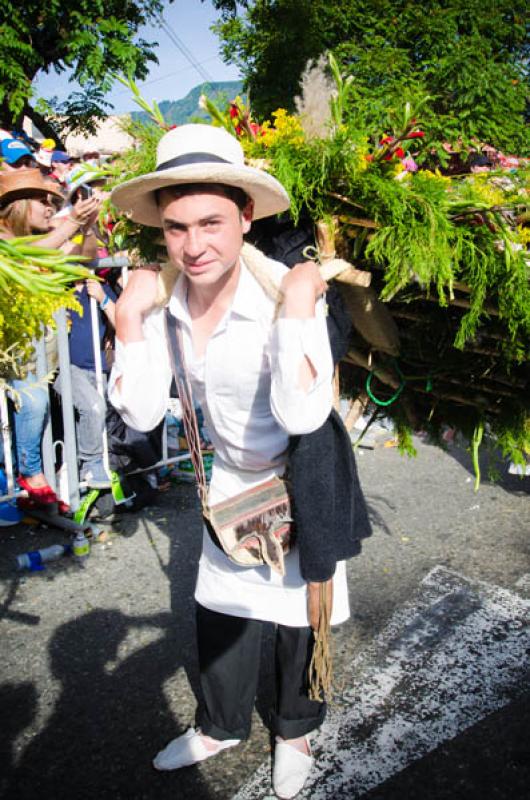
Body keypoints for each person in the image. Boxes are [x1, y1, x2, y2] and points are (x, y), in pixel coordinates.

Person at [108, 123, 354, 798]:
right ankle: (221, 724)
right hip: (232, 488)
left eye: (211, 222)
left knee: (302, 614)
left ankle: (296, 727)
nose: (194, 246)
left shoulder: (283, 295)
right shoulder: (160, 304)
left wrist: (301, 306)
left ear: (246, 217)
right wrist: (128, 321)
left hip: (303, 480)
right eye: (177, 227)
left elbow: (305, 415)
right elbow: (139, 415)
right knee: (220, 607)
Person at [0, 170, 99, 503]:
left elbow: (83, 258)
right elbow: (23, 259)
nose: (48, 207)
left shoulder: (43, 239)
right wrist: (72, 220)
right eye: (42, 200)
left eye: (51, 201)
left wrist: (89, 227)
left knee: (84, 406)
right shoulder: (5, 241)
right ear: (18, 205)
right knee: (35, 403)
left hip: (52, 358)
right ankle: (30, 473)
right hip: (21, 360)